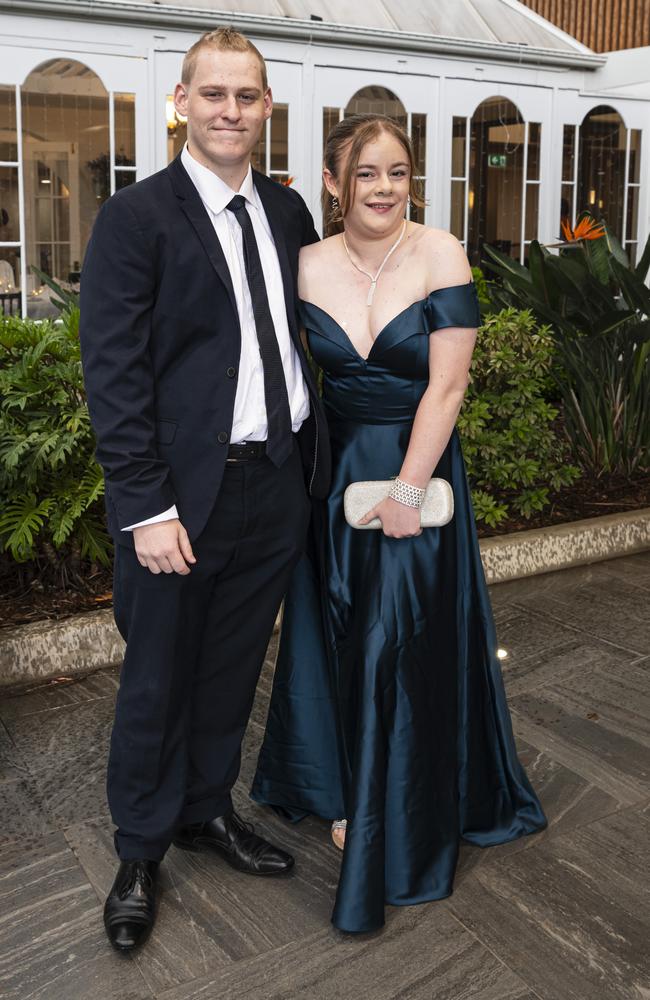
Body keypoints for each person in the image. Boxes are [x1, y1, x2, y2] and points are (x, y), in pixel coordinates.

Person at [252, 113, 547, 934]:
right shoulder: (305, 262)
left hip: (417, 475)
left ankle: (398, 808)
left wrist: (409, 494)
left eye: (398, 172)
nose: (385, 188)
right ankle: (343, 787)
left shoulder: (440, 252)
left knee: (396, 640)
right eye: (367, 173)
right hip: (334, 480)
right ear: (333, 181)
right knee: (338, 639)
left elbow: (447, 389)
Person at [79, 27, 329, 953]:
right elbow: (114, 373)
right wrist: (145, 506)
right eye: (213, 94)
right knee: (156, 679)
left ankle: (203, 810)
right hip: (178, 502)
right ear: (180, 102)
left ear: (268, 108)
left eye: (248, 96)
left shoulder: (288, 213)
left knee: (229, 670)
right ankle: (140, 849)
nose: (231, 111)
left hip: (274, 485)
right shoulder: (135, 219)